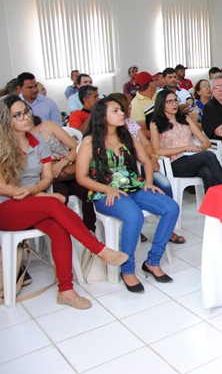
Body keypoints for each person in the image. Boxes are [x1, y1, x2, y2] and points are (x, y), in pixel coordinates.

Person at [0, 96, 128, 309]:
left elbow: (48, 178)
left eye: (26, 111)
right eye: (18, 115)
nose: (26, 117)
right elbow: (4, 188)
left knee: (59, 229)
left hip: (30, 202)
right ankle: (100, 250)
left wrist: (34, 192)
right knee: (53, 204)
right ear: (6, 119)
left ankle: (66, 291)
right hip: (5, 207)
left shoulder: (38, 142)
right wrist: (43, 196)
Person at [76, 95, 179, 293]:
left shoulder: (126, 137)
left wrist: (148, 183)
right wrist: (108, 189)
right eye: (115, 111)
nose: (121, 113)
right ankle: (127, 269)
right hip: (105, 193)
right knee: (133, 215)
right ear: (102, 116)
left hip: (134, 187)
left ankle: (153, 261)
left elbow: (147, 162)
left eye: (121, 110)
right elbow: (81, 177)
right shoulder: (90, 142)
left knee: (171, 207)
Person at [108, 93, 183, 244]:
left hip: (143, 164)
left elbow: (147, 144)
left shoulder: (132, 124)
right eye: (126, 106)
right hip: (124, 173)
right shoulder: (111, 131)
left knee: (165, 184)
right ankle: (137, 228)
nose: (129, 108)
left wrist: (153, 158)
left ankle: (169, 228)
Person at [151, 89, 222, 191]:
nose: (174, 104)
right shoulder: (155, 124)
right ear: (161, 103)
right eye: (169, 102)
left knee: (206, 172)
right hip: (174, 163)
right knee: (208, 155)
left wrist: (198, 148)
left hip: (193, 158)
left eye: (176, 100)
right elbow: (157, 151)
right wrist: (185, 148)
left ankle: (212, 204)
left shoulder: (185, 118)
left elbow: (206, 142)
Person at [31, 115, 96, 233]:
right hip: (51, 179)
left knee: (88, 192)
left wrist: (61, 164)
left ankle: (90, 233)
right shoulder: (16, 138)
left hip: (69, 168)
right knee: (59, 199)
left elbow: (76, 147)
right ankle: (67, 235)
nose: (24, 118)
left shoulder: (47, 126)